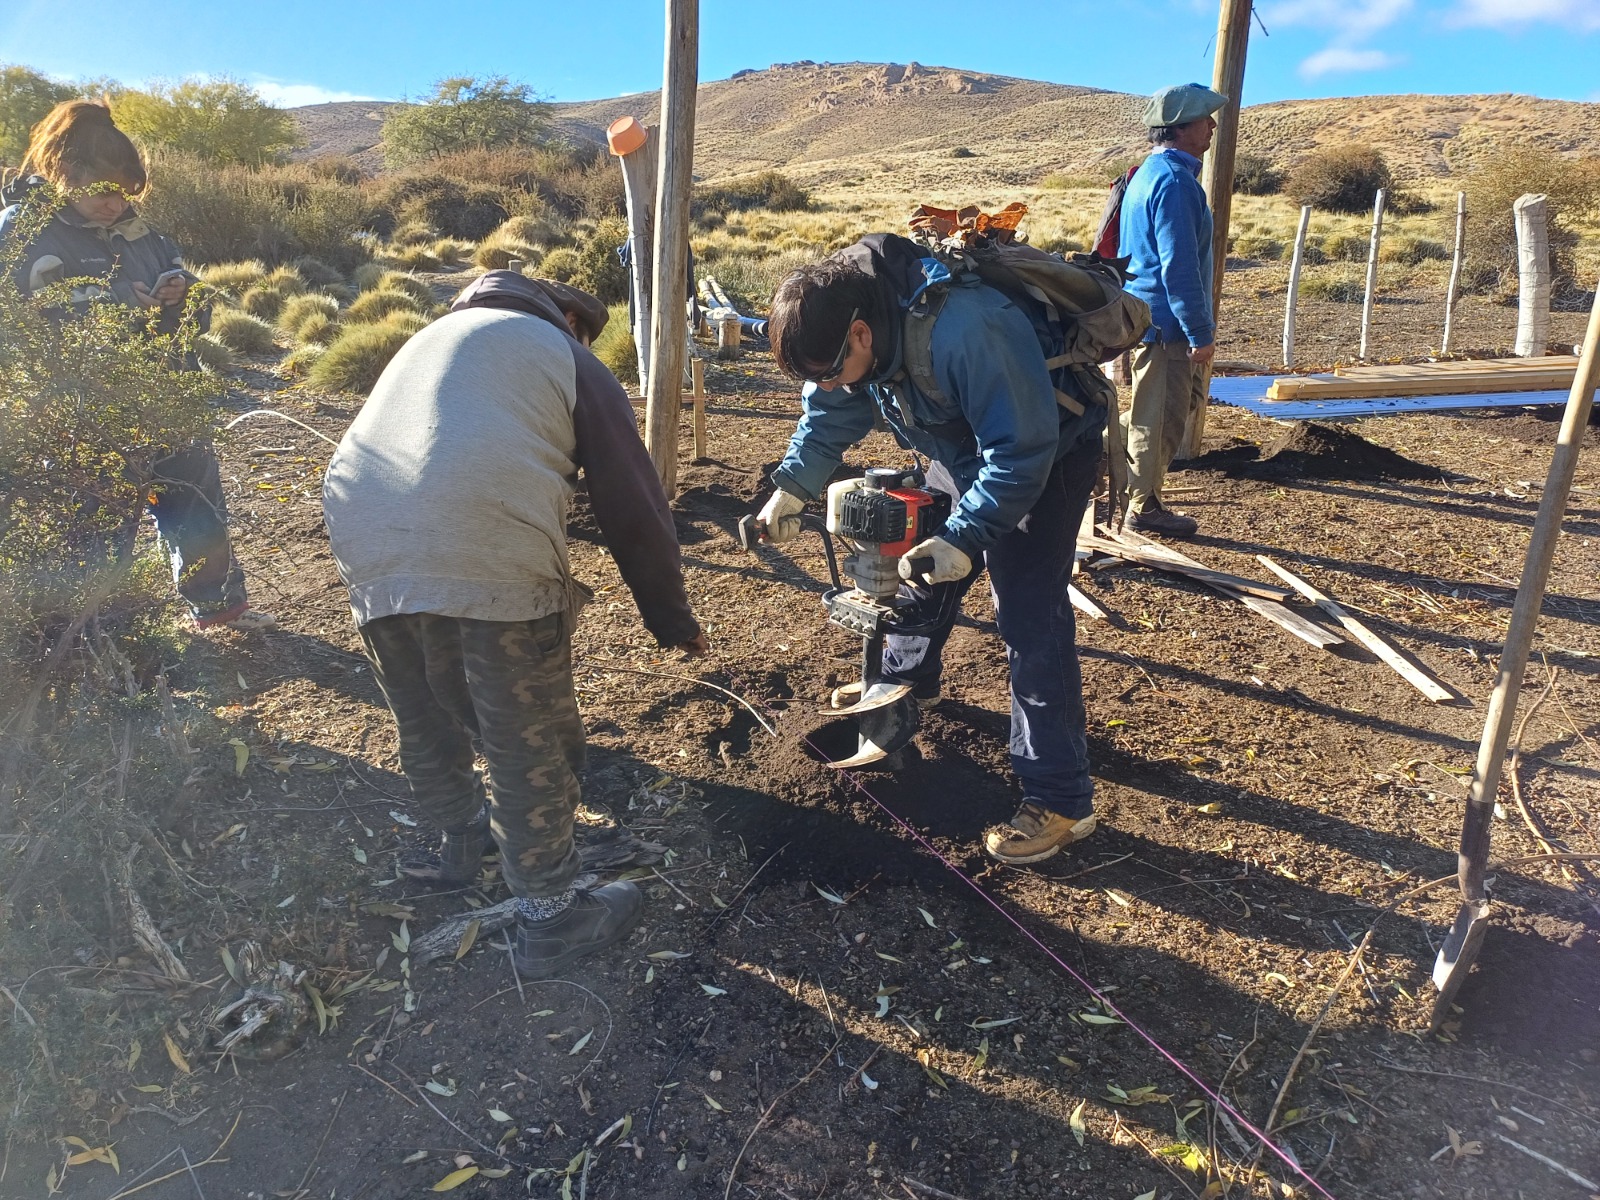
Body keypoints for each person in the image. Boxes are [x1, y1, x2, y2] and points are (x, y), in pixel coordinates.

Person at [322, 271, 706, 979]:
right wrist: (670, 619)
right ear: (569, 319)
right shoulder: (565, 354)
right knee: (524, 733)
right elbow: (632, 503)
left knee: (423, 711)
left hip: (363, 526)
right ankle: (552, 916)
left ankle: (459, 843)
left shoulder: (431, 340)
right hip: (483, 525)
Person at [756, 234, 1103, 865]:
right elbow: (830, 412)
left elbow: (1020, 450)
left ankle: (1060, 799)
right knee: (917, 571)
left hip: (1045, 452)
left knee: (1029, 616)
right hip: (961, 447)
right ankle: (903, 688)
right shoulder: (849, 336)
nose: (824, 384)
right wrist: (791, 488)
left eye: (828, 370)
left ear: (861, 333)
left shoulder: (968, 329)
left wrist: (965, 537)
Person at [0, 99, 274, 631]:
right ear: (65, 171)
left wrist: (183, 295)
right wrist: (121, 304)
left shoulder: (143, 232)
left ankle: (218, 606)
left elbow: (194, 314)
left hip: (170, 393)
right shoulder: (22, 232)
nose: (116, 203)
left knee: (196, 503)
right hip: (82, 413)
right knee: (98, 524)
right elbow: (23, 326)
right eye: (104, 190)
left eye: (126, 192)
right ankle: (99, 634)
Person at [1117, 82, 1228, 540]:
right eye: (1205, 119)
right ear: (1181, 128)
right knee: (1160, 418)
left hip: (1148, 315)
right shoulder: (1176, 182)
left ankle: (1093, 456)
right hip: (1166, 322)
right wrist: (1199, 331)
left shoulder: (1149, 172)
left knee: (1162, 407)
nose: (1212, 126)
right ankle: (1143, 507)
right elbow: (1178, 266)